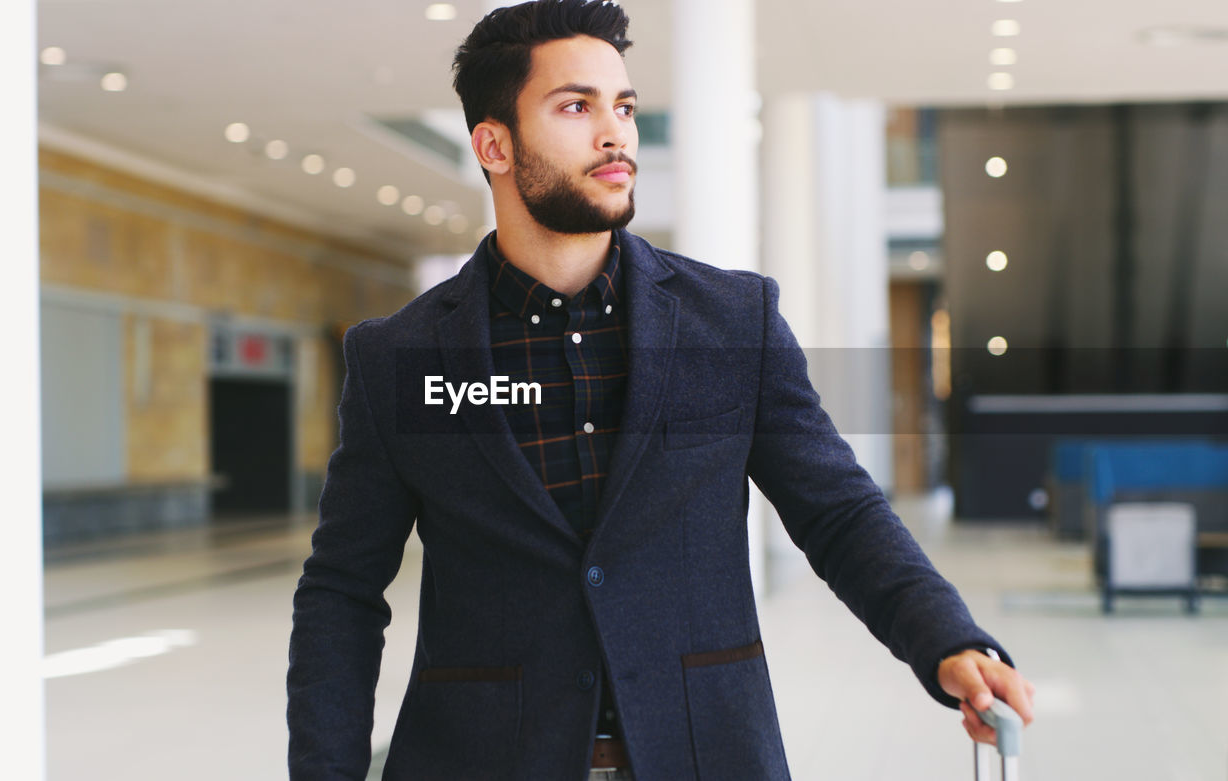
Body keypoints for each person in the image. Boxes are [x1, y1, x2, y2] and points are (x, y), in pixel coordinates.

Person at [286, 2, 1035, 779]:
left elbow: (839, 511)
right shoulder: (403, 357)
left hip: (705, 753)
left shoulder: (732, 321)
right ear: (494, 144)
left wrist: (949, 640)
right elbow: (342, 588)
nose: (615, 133)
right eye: (576, 106)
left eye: (626, 106)